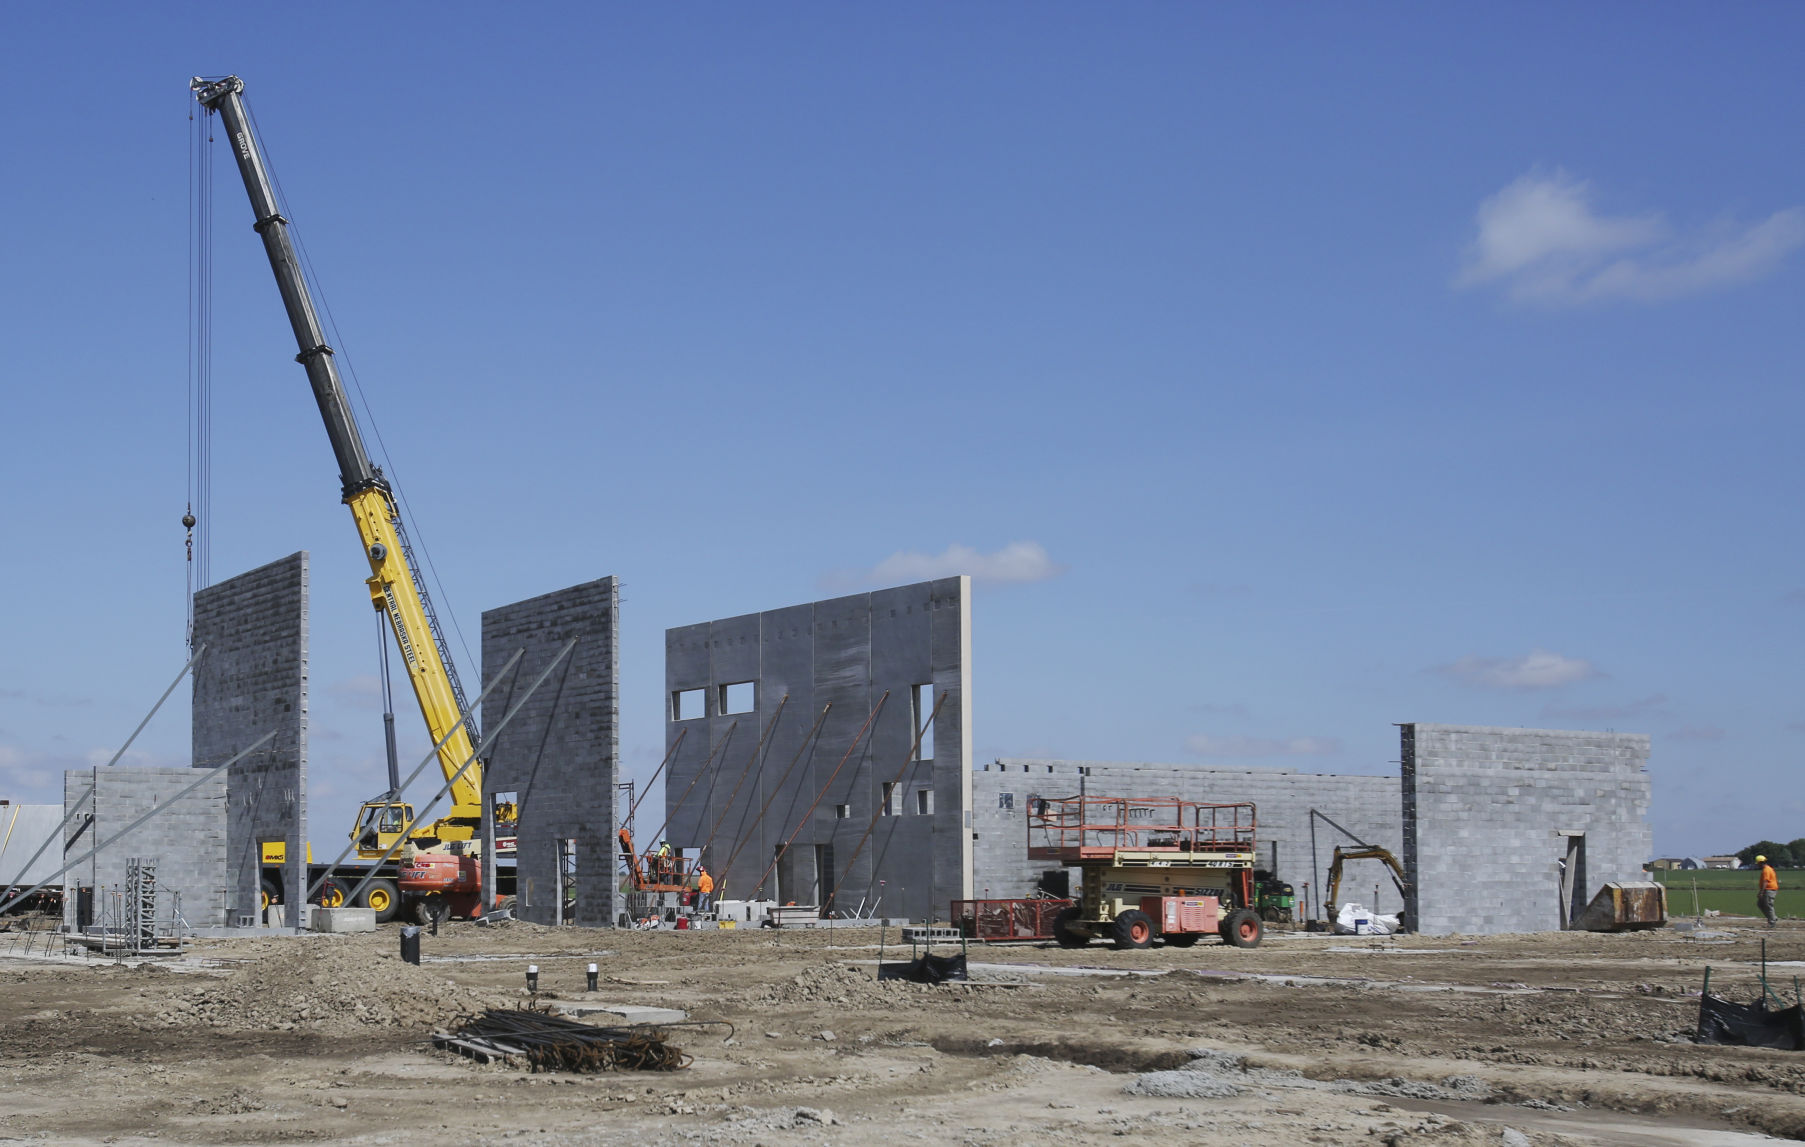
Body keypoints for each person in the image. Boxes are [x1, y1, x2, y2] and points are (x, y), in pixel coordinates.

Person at [1758, 855, 1780, 928]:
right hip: (1767, 889)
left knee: (1768, 905)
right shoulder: (1767, 869)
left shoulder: (1766, 870)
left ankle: (1772, 921)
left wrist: (1761, 892)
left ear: (1761, 862)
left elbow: (1765, 881)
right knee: (1760, 904)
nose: (1757, 865)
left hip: (1769, 889)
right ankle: (1773, 917)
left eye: (1758, 863)